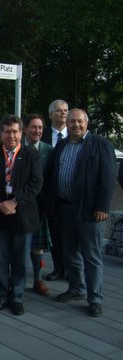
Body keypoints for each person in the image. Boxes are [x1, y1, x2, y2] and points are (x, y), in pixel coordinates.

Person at [51, 108, 116, 317]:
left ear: (87, 123)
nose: (75, 125)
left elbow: (108, 179)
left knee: (91, 256)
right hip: (65, 208)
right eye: (71, 122)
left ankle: (95, 298)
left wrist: (102, 207)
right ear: (66, 124)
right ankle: (76, 288)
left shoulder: (100, 145)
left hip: (90, 211)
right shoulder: (61, 145)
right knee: (70, 253)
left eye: (79, 121)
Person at [0, 115, 43, 316]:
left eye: (15, 131)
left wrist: (14, 201)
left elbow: (36, 183)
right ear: (1, 133)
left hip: (22, 215)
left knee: (20, 259)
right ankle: (0, 295)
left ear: (22, 132)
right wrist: (1, 202)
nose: (11, 135)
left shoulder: (31, 154)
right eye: (7, 131)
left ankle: (16, 297)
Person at [23, 114, 54, 296]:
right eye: (33, 127)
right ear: (25, 129)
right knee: (18, 245)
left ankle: (37, 279)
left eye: (40, 128)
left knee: (37, 246)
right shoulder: (16, 149)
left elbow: (51, 180)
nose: (37, 131)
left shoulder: (49, 150)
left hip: (39, 206)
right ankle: (15, 278)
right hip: (20, 206)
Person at [42, 99, 69, 282]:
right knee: (54, 234)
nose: (63, 113)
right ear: (51, 114)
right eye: (59, 111)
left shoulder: (75, 136)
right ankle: (58, 268)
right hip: (46, 194)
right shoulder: (41, 135)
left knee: (70, 236)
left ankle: (71, 270)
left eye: (66, 110)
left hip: (68, 196)